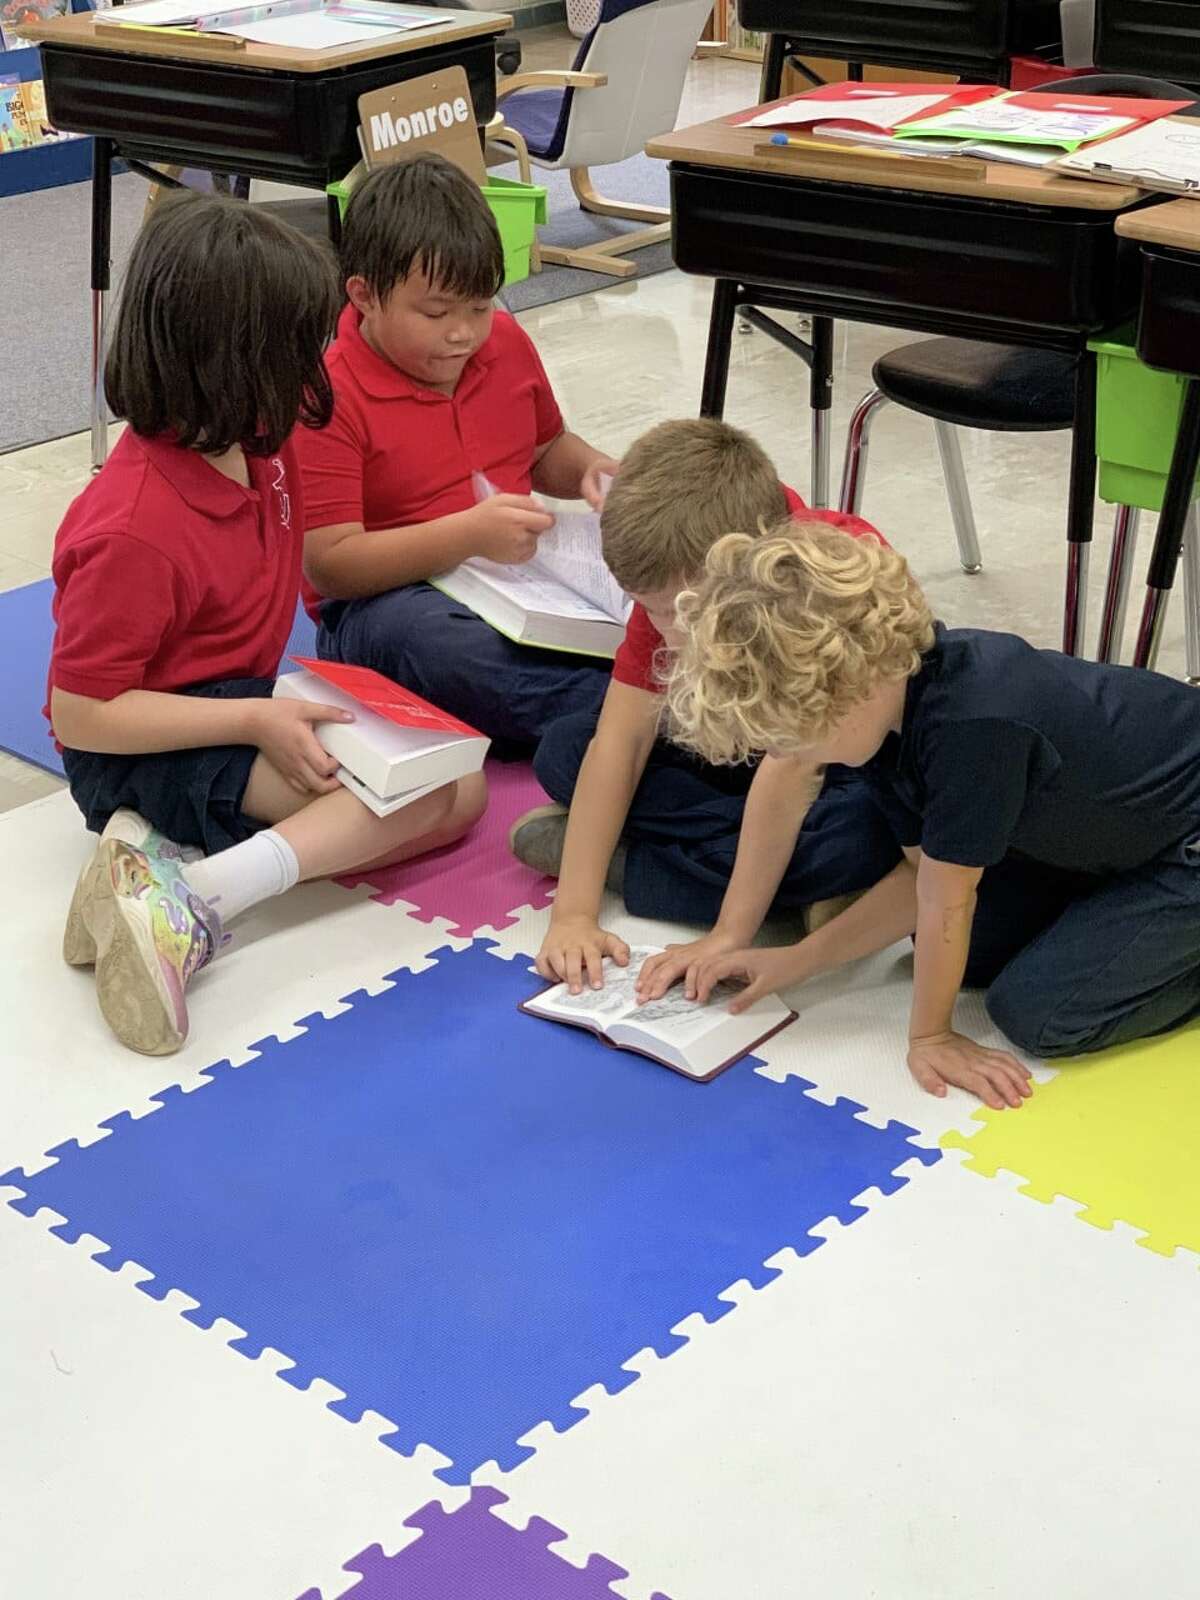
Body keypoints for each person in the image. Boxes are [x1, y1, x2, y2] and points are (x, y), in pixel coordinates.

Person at [48, 194, 486, 1058]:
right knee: (429, 797)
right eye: (296, 347)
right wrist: (254, 719)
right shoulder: (132, 525)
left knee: (454, 782)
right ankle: (194, 901)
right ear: (230, 361)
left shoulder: (265, 443)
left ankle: (154, 868)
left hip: (240, 701)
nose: (317, 361)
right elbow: (81, 714)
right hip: (143, 745)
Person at [642, 521, 1200, 1109]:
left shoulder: (973, 726)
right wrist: (795, 963)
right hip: (1118, 837)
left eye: (787, 735)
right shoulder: (886, 722)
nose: (781, 755)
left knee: (1040, 1016)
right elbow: (920, 882)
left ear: (847, 689)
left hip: (1187, 843)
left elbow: (946, 898)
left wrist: (930, 1035)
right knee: (973, 954)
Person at [514, 419, 903, 992]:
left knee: (863, 832)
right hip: (737, 759)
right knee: (566, 748)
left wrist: (728, 932)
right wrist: (573, 913)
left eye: (679, 614)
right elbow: (622, 741)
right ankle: (789, 890)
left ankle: (650, 867)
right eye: (652, 612)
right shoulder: (680, 577)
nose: (664, 629)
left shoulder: (835, 569)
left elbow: (799, 767)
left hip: (828, 774)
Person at [296, 153, 619, 753]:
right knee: (441, 646)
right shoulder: (328, 395)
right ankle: (636, 715)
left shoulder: (504, 341)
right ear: (364, 296)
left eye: (479, 306)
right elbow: (331, 566)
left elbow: (546, 447)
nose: (462, 333)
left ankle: (619, 712)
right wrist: (468, 535)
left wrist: (593, 471)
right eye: (436, 313)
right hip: (389, 602)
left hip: (525, 579)